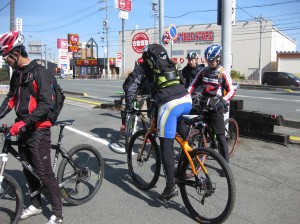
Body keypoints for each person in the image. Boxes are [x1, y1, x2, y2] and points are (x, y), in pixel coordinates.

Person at [0, 31, 63, 224]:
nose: (5, 61)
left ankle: (58, 214)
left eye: (6, 56)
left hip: (39, 130)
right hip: (25, 129)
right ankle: (36, 205)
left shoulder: (39, 72)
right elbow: (11, 99)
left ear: (16, 54)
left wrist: (23, 122)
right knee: (28, 168)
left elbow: (46, 104)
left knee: (44, 172)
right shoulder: (17, 75)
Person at [124, 43, 192, 200]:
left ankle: (170, 187)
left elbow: (130, 86)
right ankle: (191, 162)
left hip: (170, 104)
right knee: (184, 139)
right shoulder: (169, 63)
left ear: (147, 56)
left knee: (165, 147)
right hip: (186, 100)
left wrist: (129, 105)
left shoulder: (145, 65)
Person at [188, 44, 235, 165]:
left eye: (212, 60)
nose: (209, 62)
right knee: (197, 128)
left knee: (220, 137)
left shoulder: (223, 73)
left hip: (217, 106)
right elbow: (193, 85)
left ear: (218, 59)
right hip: (204, 104)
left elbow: (231, 90)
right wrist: (187, 96)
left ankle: (226, 165)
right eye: (208, 60)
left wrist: (223, 101)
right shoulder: (203, 72)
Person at [120, 58, 153, 133]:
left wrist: (149, 95)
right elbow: (126, 84)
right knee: (124, 105)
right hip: (132, 94)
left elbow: (149, 87)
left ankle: (145, 132)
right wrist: (126, 92)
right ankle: (123, 124)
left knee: (144, 114)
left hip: (141, 95)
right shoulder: (133, 74)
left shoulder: (148, 75)